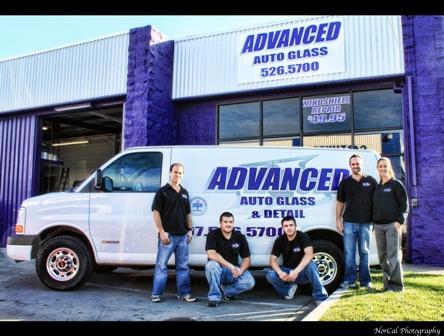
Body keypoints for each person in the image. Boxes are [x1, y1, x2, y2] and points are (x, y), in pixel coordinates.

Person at [150, 163, 196, 303]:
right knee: (161, 266)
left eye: (180, 173)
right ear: (170, 173)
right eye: (175, 172)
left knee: (183, 266)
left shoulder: (184, 193)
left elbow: (188, 213)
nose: (178, 175)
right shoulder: (162, 191)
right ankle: (156, 294)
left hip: (183, 236)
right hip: (168, 236)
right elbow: (155, 212)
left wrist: (190, 230)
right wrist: (162, 232)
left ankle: (184, 293)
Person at [336, 154, 377, 289]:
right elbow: (340, 203)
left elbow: (377, 202)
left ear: (362, 164)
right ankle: (350, 280)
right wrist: (338, 219)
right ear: (350, 166)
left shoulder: (371, 181)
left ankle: (366, 282)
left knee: (364, 252)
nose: (355, 166)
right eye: (353, 164)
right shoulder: (345, 183)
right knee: (349, 253)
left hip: (366, 223)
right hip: (349, 223)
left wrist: (375, 221)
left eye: (357, 163)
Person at [266, 216, 328, 305]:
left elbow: (309, 254)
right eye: (286, 226)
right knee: (270, 274)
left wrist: (296, 271)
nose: (289, 228)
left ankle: (320, 297)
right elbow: (272, 260)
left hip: (302, 273)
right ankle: (288, 289)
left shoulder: (303, 236)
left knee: (311, 265)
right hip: (287, 274)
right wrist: (280, 273)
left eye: (291, 225)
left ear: (295, 226)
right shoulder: (279, 240)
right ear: (283, 228)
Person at [205, 211, 255, 307]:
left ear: (233, 223)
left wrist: (240, 270)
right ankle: (214, 297)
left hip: (233, 272)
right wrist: (230, 266)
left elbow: (247, 258)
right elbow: (211, 254)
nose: (228, 224)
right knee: (211, 265)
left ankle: (227, 291)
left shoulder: (239, 236)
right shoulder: (213, 234)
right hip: (218, 271)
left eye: (230, 222)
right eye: (225, 222)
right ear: (220, 223)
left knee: (250, 282)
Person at [373, 157, 408, 292]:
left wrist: (399, 222)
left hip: (391, 226)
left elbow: (404, 205)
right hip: (378, 226)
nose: (382, 168)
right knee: (382, 258)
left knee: (393, 256)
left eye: (385, 166)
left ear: (389, 168)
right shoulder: (377, 187)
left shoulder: (396, 184)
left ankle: (397, 286)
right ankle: (387, 285)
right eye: (380, 166)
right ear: (377, 169)